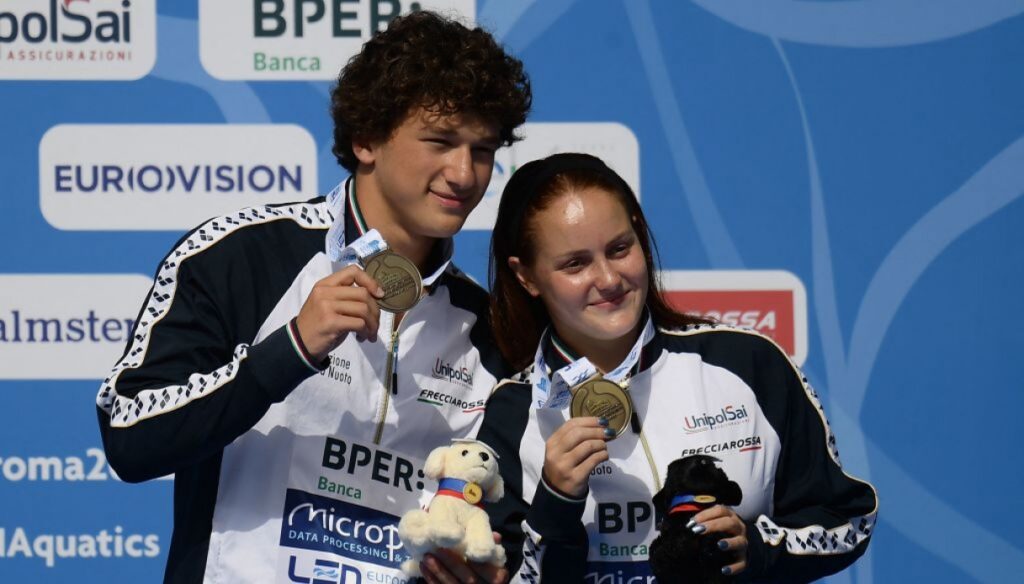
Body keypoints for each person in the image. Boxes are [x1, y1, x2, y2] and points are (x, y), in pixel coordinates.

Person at [95, 11, 530, 583]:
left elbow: (503, 522)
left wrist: (486, 565)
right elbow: (129, 437)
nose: (465, 174)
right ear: (366, 139)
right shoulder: (239, 255)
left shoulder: (488, 328)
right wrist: (289, 350)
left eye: (483, 149)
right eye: (440, 141)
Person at [478, 153, 878, 582]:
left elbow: (849, 521)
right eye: (575, 264)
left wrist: (758, 547)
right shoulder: (513, 412)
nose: (609, 279)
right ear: (527, 277)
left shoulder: (747, 364)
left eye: (619, 249)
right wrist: (556, 504)